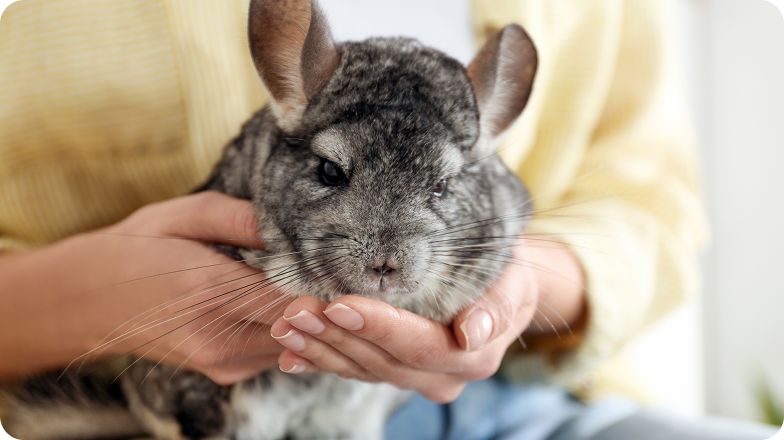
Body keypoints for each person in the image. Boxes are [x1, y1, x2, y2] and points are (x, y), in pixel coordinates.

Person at [0, 0, 776, 438]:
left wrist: (513, 296)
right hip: (193, 410)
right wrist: (96, 302)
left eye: (442, 190)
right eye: (334, 171)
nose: (385, 251)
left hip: (503, 407)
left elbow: (648, 201)